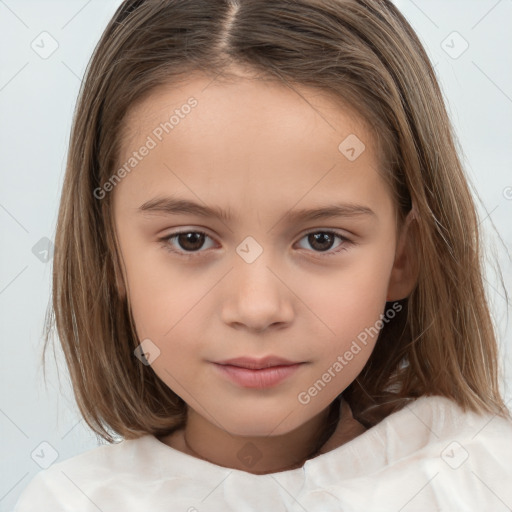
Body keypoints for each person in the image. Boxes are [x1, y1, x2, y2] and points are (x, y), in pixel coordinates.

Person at [15, 0, 512, 510]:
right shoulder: (70, 502)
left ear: (404, 257)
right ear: (109, 256)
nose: (256, 308)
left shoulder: (483, 483)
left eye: (321, 239)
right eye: (190, 239)